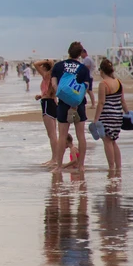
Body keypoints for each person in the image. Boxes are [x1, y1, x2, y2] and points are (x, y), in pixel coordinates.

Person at [51, 41, 92, 171]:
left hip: (63, 104)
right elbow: (85, 87)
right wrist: (75, 101)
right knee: (81, 135)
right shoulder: (83, 69)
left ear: (68, 51)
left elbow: (53, 85)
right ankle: (81, 165)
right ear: (80, 54)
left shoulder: (58, 66)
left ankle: (58, 166)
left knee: (62, 135)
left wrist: (64, 97)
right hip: (78, 104)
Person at [92, 59, 129, 173]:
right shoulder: (118, 82)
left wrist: (96, 119)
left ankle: (111, 168)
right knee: (113, 141)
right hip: (118, 115)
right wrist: (128, 114)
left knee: (107, 141)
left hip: (107, 115)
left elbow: (101, 103)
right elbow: (123, 101)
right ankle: (118, 168)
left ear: (102, 71)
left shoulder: (103, 84)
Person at [33, 59, 59, 167]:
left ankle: (55, 159)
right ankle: (55, 157)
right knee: (53, 134)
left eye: (42, 66)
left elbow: (35, 64)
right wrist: (41, 95)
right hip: (51, 102)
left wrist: (48, 61)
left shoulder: (47, 75)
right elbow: (50, 92)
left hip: (48, 104)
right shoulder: (52, 76)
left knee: (51, 134)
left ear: (45, 67)